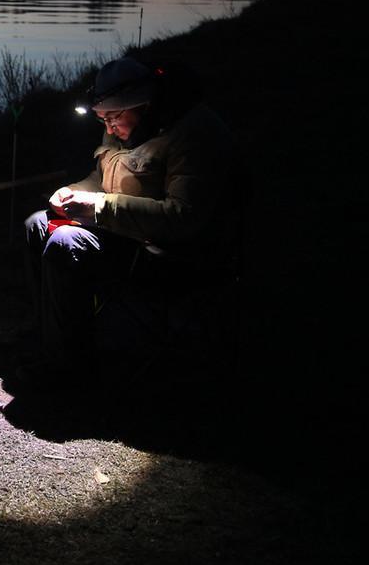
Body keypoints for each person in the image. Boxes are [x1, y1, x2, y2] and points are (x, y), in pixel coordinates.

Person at [19, 56, 240, 399]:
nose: (107, 129)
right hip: (125, 232)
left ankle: (70, 371)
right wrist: (77, 191)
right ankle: (51, 341)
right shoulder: (124, 123)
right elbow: (104, 178)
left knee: (66, 242)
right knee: (37, 224)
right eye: (101, 119)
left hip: (169, 255)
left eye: (112, 118)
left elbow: (183, 218)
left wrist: (99, 207)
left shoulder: (193, 133)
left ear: (145, 105)